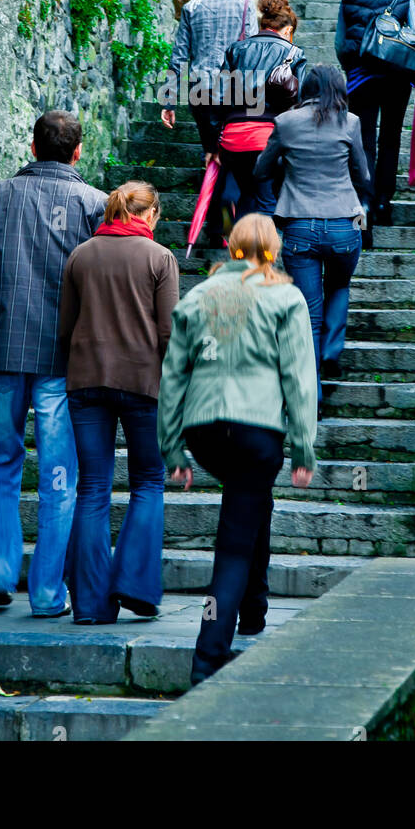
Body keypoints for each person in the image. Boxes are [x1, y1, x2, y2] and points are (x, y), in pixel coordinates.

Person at [0, 111, 107, 617]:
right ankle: (45, 594)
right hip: (63, 357)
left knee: (0, 460)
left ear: (33, 147)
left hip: (4, 346)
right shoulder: (94, 205)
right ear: (77, 152)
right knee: (60, 475)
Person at [157, 213, 316, 684]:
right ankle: (208, 656)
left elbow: (173, 376)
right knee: (232, 544)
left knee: (250, 502)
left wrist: (173, 450)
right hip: (256, 430)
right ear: (274, 249)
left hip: (205, 432)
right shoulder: (285, 298)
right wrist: (304, 448)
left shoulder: (197, 295)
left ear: (230, 248)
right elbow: (299, 381)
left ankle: (254, 608)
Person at [59, 181, 179, 624]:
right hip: (143, 383)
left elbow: (65, 328)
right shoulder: (159, 258)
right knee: (148, 481)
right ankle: (135, 585)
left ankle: (90, 605)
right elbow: (169, 333)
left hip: (86, 382)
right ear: (147, 216)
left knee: (91, 488)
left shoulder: (81, 254)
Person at [254, 65, 371, 416]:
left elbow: (261, 170)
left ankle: (311, 397)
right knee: (339, 285)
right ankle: (331, 350)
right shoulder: (350, 123)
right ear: (339, 88)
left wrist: (286, 168)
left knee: (306, 313)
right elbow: (363, 175)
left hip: (299, 226)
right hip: (343, 225)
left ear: (304, 88)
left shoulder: (286, 123)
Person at [160, 0, 258, 248]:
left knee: (213, 155)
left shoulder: (192, 7)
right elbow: (251, 50)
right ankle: (223, 224)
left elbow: (178, 56)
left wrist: (168, 101)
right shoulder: (245, 5)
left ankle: (217, 228)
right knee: (230, 157)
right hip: (238, 92)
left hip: (200, 92)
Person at [335, 0, 415, 234]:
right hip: (397, 75)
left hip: (361, 77)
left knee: (363, 144)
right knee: (390, 140)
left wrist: (354, 66)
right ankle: (385, 202)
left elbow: (340, 41)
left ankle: (365, 204)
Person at [212, 0, 307, 219]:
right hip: (270, 136)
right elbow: (300, 103)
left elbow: (218, 96)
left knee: (246, 194)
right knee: (266, 197)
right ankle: (263, 252)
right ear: (287, 30)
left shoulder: (235, 50)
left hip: (234, 137)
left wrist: (217, 138)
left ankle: (242, 248)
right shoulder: (294, 53)